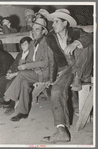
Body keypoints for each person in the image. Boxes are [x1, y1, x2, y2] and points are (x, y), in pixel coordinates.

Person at [41, 9, 93, 143]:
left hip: (84, 67)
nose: (53, 25)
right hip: (68, 69)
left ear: (65, 23)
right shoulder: (51, 38)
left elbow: (91, 37)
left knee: (86, 44)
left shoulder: (76, 32)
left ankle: (77, 76)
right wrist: (51, 79)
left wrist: (75, 43)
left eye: (56, 22)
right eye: (52, 22)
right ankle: (61, 131)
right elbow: (52, 60)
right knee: (56, 90)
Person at [3, 17, 54, 122]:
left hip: (45, 73)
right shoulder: (32, 43)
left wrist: (28, 67)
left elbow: (46, 62)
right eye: (33, 29)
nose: (34, 32)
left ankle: (9, 98)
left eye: (38, 29)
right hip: (35, 72)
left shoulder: (47, 42)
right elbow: (30, 59)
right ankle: (23, 112)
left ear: (44, 31)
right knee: (24, 83)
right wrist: (32, 67)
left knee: (21, 74)